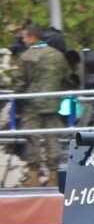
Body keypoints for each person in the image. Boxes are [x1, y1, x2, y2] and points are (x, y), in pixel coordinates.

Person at [10, 24, 70, 187]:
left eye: (24, 37)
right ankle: (53, 176)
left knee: (33, 139)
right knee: (52, 139)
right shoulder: (58, 55)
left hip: (32, 105)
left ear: (32, 37)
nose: (23, 40)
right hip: (53, 103)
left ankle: (34, 176)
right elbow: (67, 79)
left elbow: (19, 84)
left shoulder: (26, 56)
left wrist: (18, 107)